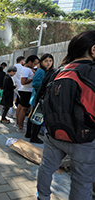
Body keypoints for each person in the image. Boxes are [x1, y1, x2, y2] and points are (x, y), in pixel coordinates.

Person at [37, 30, 95, 200]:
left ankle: (42, 197)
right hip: (84, 139)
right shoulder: (91, 72)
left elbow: (42, 98)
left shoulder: (58, 71)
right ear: (93, 50)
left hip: (54, 134)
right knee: (81, 182)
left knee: (46, 168)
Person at [25, 54, 54, 143]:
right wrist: (44, 89)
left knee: (32, 116)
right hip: (39, 98)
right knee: (37, 118)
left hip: (37, 98)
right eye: (46, 61)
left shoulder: (45, 71)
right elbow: (35, 84)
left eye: (50, 61)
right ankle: (33, 137)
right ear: (41, 62)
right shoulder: (41, 71)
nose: (48, 63)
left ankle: (29, 134)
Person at [16, 55, 39, 133]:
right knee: (24, 109)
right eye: (34, 63)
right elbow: (23, 82)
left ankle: (19, 124)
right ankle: (20, 126)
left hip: (24, 90)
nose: (35, 65)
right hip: (26, 91)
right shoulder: (26, 70)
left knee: (20, 107)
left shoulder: (27, 69)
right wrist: (33, 78)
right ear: (30, 62)